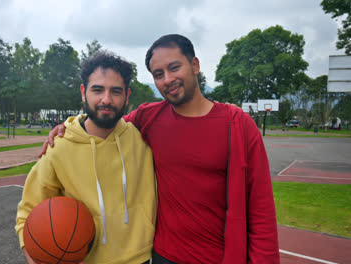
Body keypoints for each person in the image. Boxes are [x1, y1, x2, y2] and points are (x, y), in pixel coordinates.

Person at [41, 34, 280, 264]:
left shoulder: (237, 125)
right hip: (162, 257)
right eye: (158, 74)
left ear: (194, 65)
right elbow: (104, 117)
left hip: (218, 258)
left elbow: (261, 212)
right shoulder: (149, 118)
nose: (167, 79)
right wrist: (68, 127)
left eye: (174, 68)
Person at [16, 52, 157, 264]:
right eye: (97, 90)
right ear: (83, 92)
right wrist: (35, 257)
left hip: (142, 259)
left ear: (127, 96)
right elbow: (28, 213)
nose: (106, 99)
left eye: (115, 91)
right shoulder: (59, 147)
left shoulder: (143, 137)